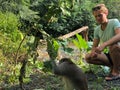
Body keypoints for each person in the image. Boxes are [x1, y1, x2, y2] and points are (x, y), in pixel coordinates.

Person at [85, 4, 120, 81]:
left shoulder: (114, 22)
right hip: (111, 54)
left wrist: (104, 44)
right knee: (88, 57)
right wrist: (93, 52)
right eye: (96, 16)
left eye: (100, 15)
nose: (98, 18)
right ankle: (114, 67)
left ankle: (116, 72)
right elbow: (94, 46)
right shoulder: (97, 29)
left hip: (117, 50)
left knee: (113, 46)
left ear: (106, 13)